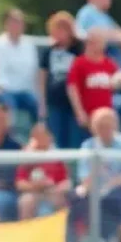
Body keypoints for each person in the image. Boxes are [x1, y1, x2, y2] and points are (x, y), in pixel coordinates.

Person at [76, 108, 121, 239]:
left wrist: (111, 184)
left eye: (108, 126)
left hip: (120, 193)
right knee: (76, 199)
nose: (104, 130)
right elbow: (84, 179)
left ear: (115, 125)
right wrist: (96, 171)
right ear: (93, 128)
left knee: (111, 200)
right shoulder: (88, 146)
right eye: (100, 126)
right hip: (95, 193)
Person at [66, 28, 121, 134]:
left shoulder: (108, 63)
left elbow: (119, 80)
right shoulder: (79, 63)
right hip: (87, 116)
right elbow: (72, 88)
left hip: (105, 117)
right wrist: (79, 112)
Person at [38, 12, 84, 149]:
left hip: (73, 104)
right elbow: (42, 77)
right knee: (57, 141)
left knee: (75, 140)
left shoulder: (79, 50)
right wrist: (42, 103)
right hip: (54, 102)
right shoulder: (48, 52)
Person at [0, 8, 40, 123]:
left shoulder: (29, 44)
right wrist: (1, 89)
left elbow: (33, 70)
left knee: (37, 105)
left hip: (25, 90)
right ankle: (9, 138)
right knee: (8, 105)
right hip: (6, 90)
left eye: (19, 23)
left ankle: (37, 137)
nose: (16, 26)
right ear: (6, 24)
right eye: (13, 22)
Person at [15, 123, 70, 219]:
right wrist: (36, 186)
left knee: (58, 201)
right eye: (38, 136)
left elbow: (65, 182)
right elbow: (20, 183)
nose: (42, 139)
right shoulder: (27, 157)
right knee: (26, 201)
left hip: (52, 192)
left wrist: (55, 187)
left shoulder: (56, 157)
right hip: (33, 192)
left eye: (44, 136)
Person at [75, 0, 121, 67]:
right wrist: (104, 35)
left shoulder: (106, 17)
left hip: (110, 62)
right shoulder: (86, 12)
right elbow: (79, 33)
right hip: (95, 63)